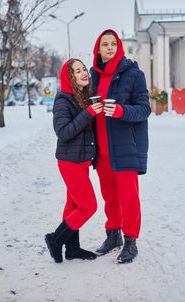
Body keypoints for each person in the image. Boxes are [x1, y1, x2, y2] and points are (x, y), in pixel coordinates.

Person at [90, 29, 151, 264]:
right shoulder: (93, 76)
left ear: (119, 47)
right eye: (104, 44)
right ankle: (112, 235)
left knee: (129, 197)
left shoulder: (134, 74)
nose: (109, 47)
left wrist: (121, 110)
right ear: (98, 48)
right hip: (101, 149)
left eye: (113, 43)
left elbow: (144, 109)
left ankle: (131, 241)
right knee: (110, 196)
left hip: (125, 146)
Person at [45, 58, 103, 263]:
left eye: (84, 69)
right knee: (88, 206)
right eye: (77, 71)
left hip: (81, 162)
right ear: (69, 78)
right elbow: (63, 132)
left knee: (73, 206)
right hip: (70, 164)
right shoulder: (63, 100)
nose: (83, 73)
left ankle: (73, 249)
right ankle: (55, 240)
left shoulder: (82, 97)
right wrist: (88, 114)